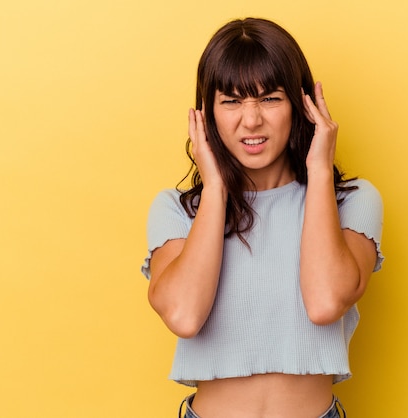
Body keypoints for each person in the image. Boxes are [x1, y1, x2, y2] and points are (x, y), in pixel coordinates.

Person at [141, 17, 384, 418]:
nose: (251, 120)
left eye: (270, 98)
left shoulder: (352, 202)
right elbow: (184, 316)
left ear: (300, 104)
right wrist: (216, 187)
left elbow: (325, 303)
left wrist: (320, 170)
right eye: (231, 101)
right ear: (208, 114)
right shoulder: (177, 209)